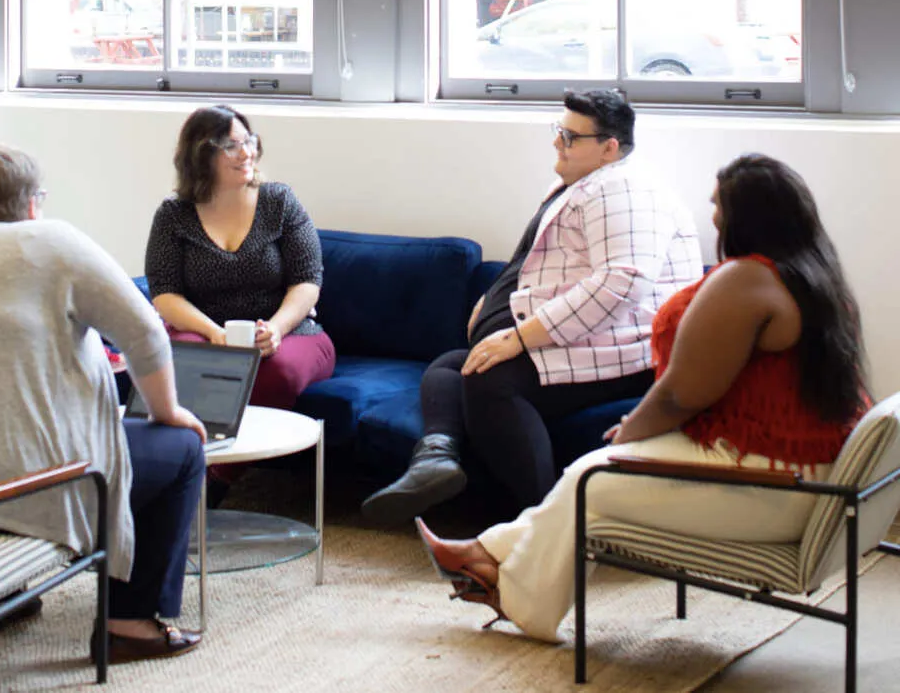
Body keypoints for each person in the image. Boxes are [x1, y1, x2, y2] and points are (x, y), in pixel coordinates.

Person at [416, 153, 870, 643]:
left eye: (719, 205)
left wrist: (631, 433)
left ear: (748, 215)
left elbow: (681, 394)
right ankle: (487, 558)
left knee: (591, 481)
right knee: (590, 477)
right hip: (801, 470)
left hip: (773, 482)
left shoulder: (747, 280)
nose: (714, 217)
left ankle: (509, 589)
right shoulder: (815, 277)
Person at [0, 146, 207, 664]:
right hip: (27, 496)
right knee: (181, 451)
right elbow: (146, 333)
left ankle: (1, 602)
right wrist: (168, 412)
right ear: (32, 204)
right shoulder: (53, 241)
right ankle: (129, 623)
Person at [361, 89, 702, 524]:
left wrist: (521, 337)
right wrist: (495, 299)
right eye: (559, 130)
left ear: (609, 148)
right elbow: (551, 267)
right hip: (592, 340)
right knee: (449, 367)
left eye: (571, 136)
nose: (557, 142)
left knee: (490, 380)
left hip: (626, 351)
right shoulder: (584, 185)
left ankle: (543, 523)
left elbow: (623, 282)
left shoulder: (624, 190)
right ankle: (435, 459)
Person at [145, 104, 336, 413]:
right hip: (205, 332)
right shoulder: (173, 215)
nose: (246, 153)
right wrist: (213, 333)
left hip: (288, 333)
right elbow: (165, 293)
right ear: (200, 154)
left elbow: (307, 280)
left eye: (249, 141)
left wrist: (275, 329)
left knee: (276, 373)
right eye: (231, 146)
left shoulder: (279, 201)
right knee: (188, 365)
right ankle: (202, 444)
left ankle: (242, 447)